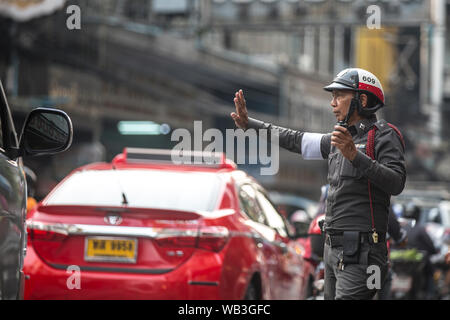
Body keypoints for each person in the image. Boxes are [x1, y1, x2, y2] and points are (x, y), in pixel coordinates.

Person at [231, 68, 406, 300]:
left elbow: (396, 183)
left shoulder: (384, 136)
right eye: (332, 97)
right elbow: (294, 140)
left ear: (362, 100)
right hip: (331, 249)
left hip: (363, 254)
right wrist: (250, 125)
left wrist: (355, 155)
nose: (332, 104)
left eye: (339, 96)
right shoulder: (337, 139)